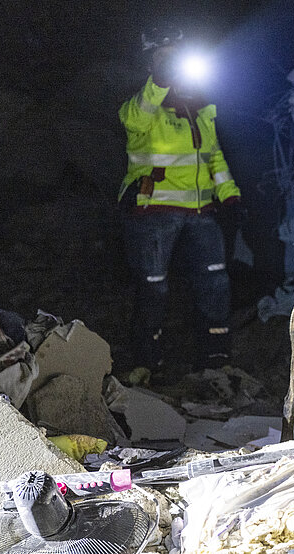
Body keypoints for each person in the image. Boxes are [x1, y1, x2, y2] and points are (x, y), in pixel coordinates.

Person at [116, 26, 240, 378]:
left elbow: (213, 156)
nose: (174, 63)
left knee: (215, 282)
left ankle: (215, 357)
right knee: (154, 287)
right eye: (165, 56)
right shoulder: (143, 105)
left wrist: (230, 196)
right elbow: (133, 118)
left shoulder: (200, 108)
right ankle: (146, 361)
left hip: (201, 213)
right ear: (151, 61)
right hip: (153, 211)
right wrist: (159, 81)